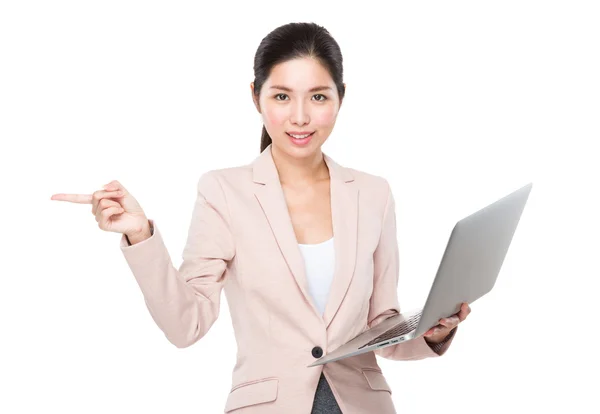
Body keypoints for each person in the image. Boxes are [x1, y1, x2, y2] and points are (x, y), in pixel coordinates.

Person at [51, 22, 470, 414]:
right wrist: (140, 236)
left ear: (341, 97)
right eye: (282, 96)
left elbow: (382, 327)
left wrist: (432, 332)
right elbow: (187, 325)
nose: (300, 117)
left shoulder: (373, 193)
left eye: (319, 96)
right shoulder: (224, 191)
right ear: (256, 97)